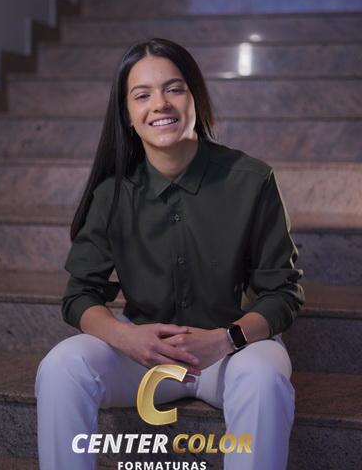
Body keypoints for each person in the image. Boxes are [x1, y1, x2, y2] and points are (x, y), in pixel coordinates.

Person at [35, 37, 305, 470]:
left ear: (195, 97)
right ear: (127, 115)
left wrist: (224, 339)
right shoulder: (112, 194)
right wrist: (126, 337)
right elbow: (80, 295)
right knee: (61, 367)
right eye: (142, 95)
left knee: (264, 376)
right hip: (144, 356)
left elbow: (283, 294)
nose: (159, 104)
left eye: (174, 89)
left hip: (232, 352)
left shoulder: (252, 180)